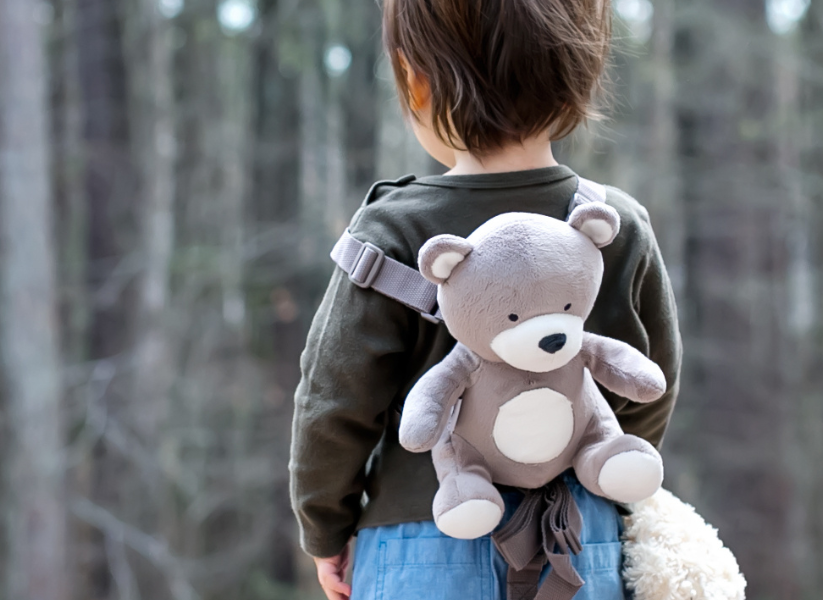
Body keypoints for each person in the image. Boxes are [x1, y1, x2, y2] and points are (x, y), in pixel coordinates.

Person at [288, 0, 682, 598]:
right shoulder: (613, 223)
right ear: (581, 67)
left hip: (422, 539)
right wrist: (596, 466)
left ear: (415, 80)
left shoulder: (390, 234)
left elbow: (333, 404)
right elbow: (654, 381)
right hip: (579, 538)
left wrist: (326, 528)